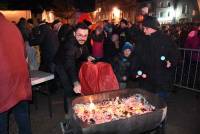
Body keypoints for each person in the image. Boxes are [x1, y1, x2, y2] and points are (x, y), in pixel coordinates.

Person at [132, 16, 179, 99]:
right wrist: (135, 70)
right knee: (146, 105)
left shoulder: (166, 39)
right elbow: (137, 57)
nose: (144, 30)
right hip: (146, 81)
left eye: (145, 28)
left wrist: (170, 62)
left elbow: (175, 54)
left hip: (162, 80)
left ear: (151, 28)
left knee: (159, 105)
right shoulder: (142, 40)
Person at [0, 12, 32, 134]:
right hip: (20, 82)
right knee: (23, 117)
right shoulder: (13, 28)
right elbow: (24, 56)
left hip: (2, 86)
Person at [54, 23, 95, 113]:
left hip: (72, 62)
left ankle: (74, 108)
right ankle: (68, 114)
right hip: (61, 65)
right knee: (69, 89)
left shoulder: (83, 39)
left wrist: (87, 56)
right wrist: (75, 82)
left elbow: (84, 49)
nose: (83, 38)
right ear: (74, 34)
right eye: (79, 35)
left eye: (85, 35)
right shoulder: (70, 45)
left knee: (74, 85)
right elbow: (70, 65)